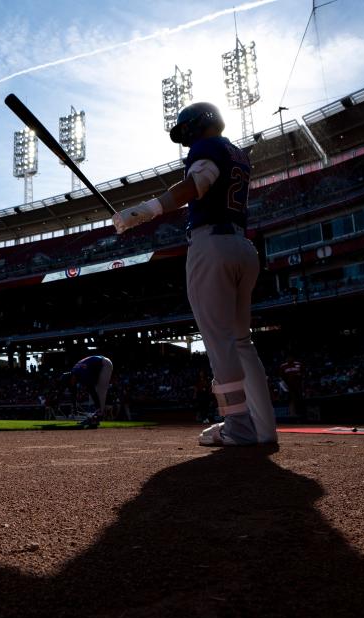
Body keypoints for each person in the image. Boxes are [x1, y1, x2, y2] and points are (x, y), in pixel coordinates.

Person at [113, 102, 277, 447]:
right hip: (242, 246)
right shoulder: (236, 153)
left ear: (197, 125)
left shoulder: (207, 148)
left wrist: (145, 211)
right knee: (242, 342)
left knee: (219, 343)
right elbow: (202, 179)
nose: (184, 138)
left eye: (185, 130)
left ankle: (238, 427)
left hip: (212, 246)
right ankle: (264, 429)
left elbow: (198, 183)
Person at [61, 355, 113, 428]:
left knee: (100, 390)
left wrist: (98, 407)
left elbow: (91, 389)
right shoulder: (74, 374)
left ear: (70, 379)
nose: (70, 385)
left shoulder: (82, 373)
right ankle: (95, 417)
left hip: (105, 363)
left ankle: (98, 415)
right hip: (97, 366)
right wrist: (74, 406)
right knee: (94, 393)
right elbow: (73, 391)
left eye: (69, 383)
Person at [278, 354, 305, 419]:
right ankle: (292, 414)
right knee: (291, 400)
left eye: (290, 357)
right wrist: (285, 388)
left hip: (299, 386)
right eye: (288, 358)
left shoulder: (299, 364)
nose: (289, 359)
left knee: (300, 399)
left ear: (292, 357)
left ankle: (302, 413)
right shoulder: (283, 366)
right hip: (289, 387)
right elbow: (281, 378)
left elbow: (303, 374)